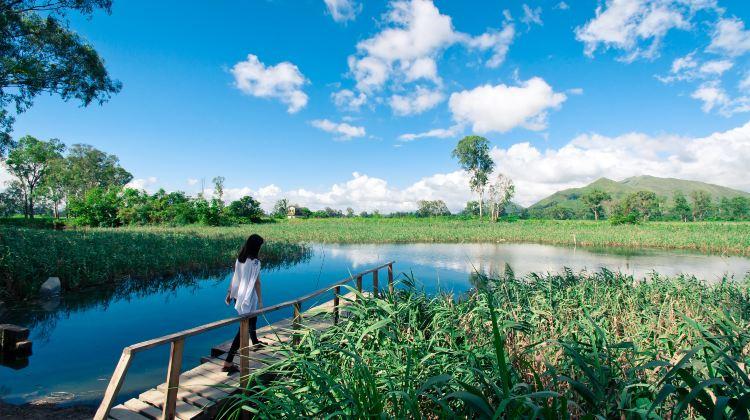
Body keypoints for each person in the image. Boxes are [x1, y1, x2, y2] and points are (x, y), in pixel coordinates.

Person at [223, 234, 264, 374]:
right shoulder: (255, 262)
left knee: (252, 321)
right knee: (243, 328)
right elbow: (257, 283)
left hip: (238, 296)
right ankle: (228, 362)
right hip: (248, 297)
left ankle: (256, 342)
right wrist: (260, 301)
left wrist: (229, 293)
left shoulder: (240, 259)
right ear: (256, 247)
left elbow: (235, 278)